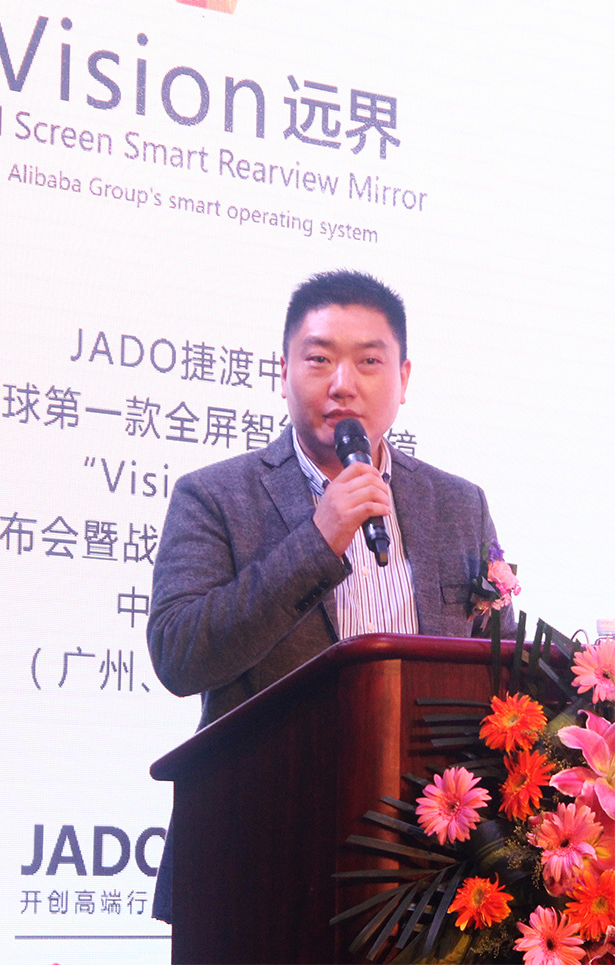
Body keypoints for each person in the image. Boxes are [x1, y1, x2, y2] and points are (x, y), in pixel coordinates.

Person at [146, 269, 515, 922]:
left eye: (369, 361)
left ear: (403, 378)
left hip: (429, 868)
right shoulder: (213, 497)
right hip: (260, 850)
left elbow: (502, 669)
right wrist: (319, 540)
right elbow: (180, 655)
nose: (343, 383)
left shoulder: (460, 504)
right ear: (283, 370)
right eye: (319, 359)